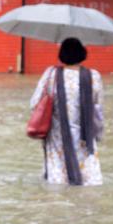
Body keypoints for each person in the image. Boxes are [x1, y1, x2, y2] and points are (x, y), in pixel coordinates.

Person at [30, 38, 104, 186]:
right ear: (83, 54)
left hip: (57, 137)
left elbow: (34, 104)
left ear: (61, 54)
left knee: (57, 183)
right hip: (85, 138)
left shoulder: (51, 74)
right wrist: (98, 135)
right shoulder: (93, 76)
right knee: (87, 183)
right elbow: (97, 111)